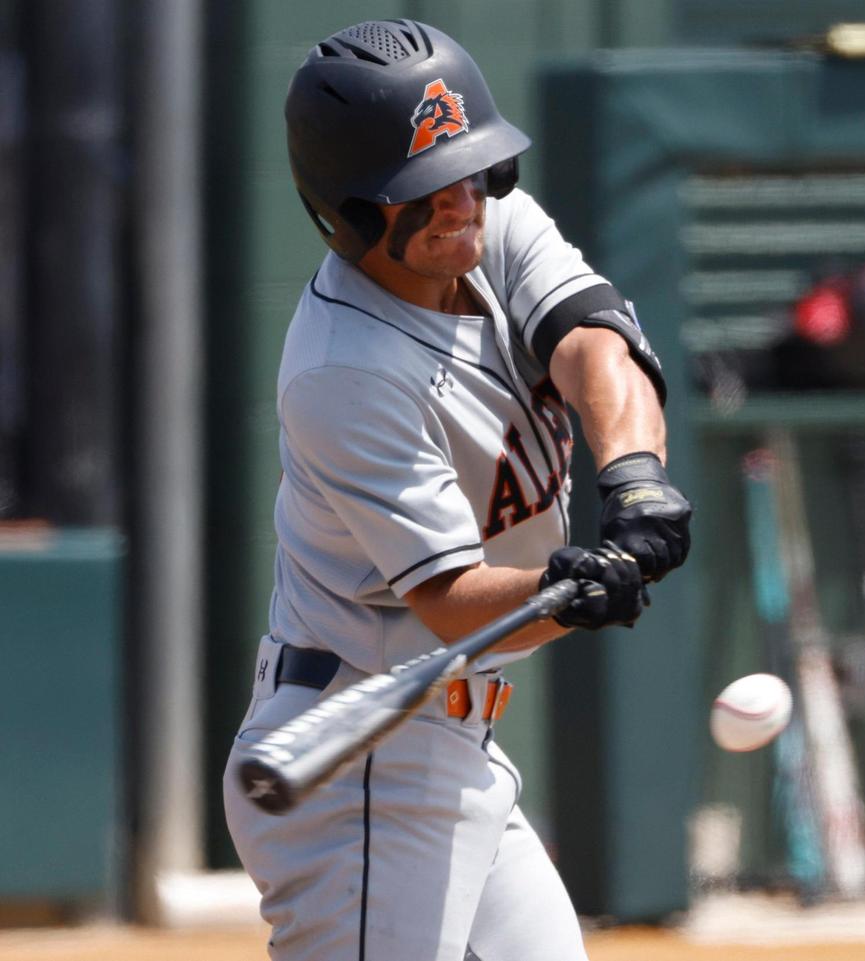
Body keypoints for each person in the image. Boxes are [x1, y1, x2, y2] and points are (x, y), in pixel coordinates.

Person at [222, 18, 691, 961]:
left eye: (470, 169)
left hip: (456, 744)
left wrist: (632, 482)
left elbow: (596, 343)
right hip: (361, 760)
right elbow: (451, 604)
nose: (458, 202)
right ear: (346, 210)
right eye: (423, 189)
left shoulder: (494, 226)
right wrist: (576, 588)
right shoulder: (343, 369)